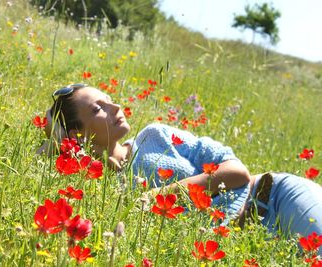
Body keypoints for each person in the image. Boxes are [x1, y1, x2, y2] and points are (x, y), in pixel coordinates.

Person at [37, 84, 322, 255]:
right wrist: (59, 140)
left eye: (109, 99)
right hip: (249, 245)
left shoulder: (154, 136)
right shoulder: (100, 192)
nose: (115, 106)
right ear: (75, 135)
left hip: (275, 199)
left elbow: (237, 172)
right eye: (98, 109)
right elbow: (42, 150)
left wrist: (161, 195)